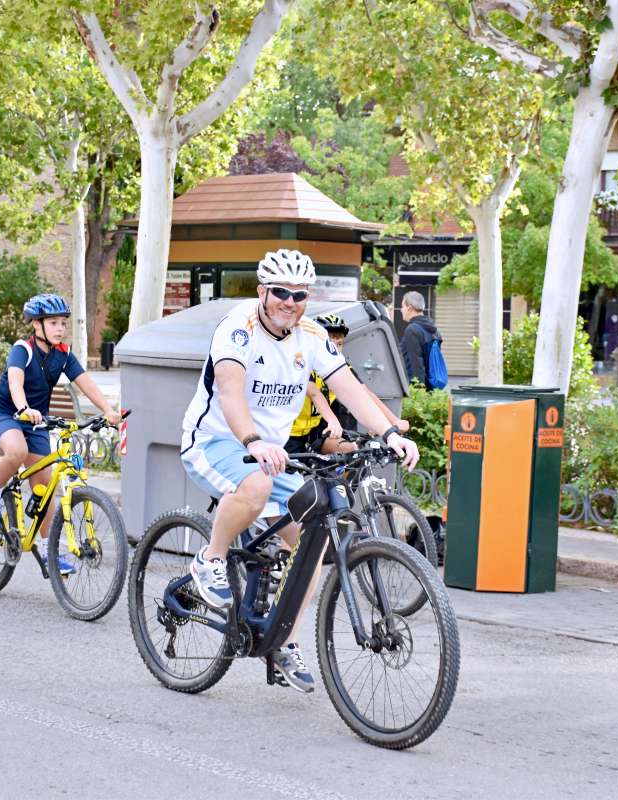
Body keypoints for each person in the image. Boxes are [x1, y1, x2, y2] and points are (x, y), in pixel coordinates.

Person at [180, 249, 420, 692]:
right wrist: (253, 441)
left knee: (311, 546)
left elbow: (351, 389)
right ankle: (210, 558)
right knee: (255, 485)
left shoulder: (310, 336)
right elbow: (231, 393)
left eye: (299, 294)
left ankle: (282, 641)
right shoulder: (238, 329)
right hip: (218, 442)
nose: (289, 301)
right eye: (281, 293)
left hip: (276, 455)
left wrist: (390, 433)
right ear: (262, 292)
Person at [0, 294, 119, 575]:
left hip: (37, 422)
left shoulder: (63, 354)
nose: (59, 328)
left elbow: (84, 382)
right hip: (6, 413)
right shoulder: (22, 350)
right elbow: (15, 382)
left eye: (63, 323)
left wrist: (107, 410)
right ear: (37, 325)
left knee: (45, 486)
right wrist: (24, 408)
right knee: (16, 452)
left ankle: (47, 550)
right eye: (53, 322)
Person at [285, 313, 408, 456]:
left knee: (353, 452)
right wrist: (332, 420)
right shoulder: (302, 362)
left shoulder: (340, 366)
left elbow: (364, 392)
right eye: (330, 343)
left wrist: (393, 421)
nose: (336, 349)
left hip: (315, 431)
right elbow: (314, 393)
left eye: (340, 344)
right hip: (289, 433)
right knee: (292, 476)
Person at [398, 291, 439, 386]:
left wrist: (418, 393)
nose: (401, 310)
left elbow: (416, 365)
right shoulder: (433, 329)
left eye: (402, 306)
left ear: (409, 308)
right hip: (431, 385)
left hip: (417, 389)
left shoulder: (412, 330)